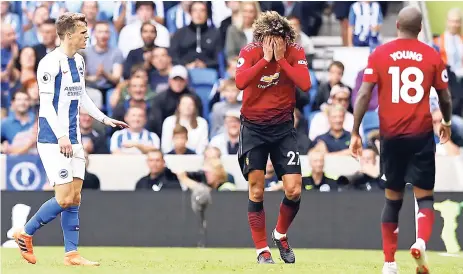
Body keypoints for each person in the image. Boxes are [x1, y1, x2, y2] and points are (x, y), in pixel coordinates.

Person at [13, 12, 128, 266]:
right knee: (64, 197)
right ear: (68, 35)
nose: (87, 36)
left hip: (73, 137)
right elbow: (46, 106)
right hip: (54, 139)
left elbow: (82, 96)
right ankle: (25, 233)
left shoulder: (79, 61)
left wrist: (105, 119)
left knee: (75, 198)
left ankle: (71, 254)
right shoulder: (49, 63)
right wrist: (62, 136)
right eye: (83, 33)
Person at [349, 6, 453, 274]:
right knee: (425, 196)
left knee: (392, 200)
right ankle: (420, 242)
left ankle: (389, 263)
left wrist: (355, 131)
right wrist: (447, 122)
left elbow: (363, 94)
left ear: (397, 26)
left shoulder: (380, 54)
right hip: (420, 135)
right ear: (419, 29)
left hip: (391, 137)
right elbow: (445, 97)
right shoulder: (431, 54)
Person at [235, 11, 311, 264]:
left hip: (282, 128)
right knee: (256, 191)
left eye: (279, 38)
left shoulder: (295, 51)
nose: (274, 42)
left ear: (286, 37)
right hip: (254, 128)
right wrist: (265, 60)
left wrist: (281, 61)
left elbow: (305, 84)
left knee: (294, 189)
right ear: (261, 37)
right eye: (269, 38)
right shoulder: (249, 51)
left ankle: (280, 234)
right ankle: (262, 251)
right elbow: (240, 82)